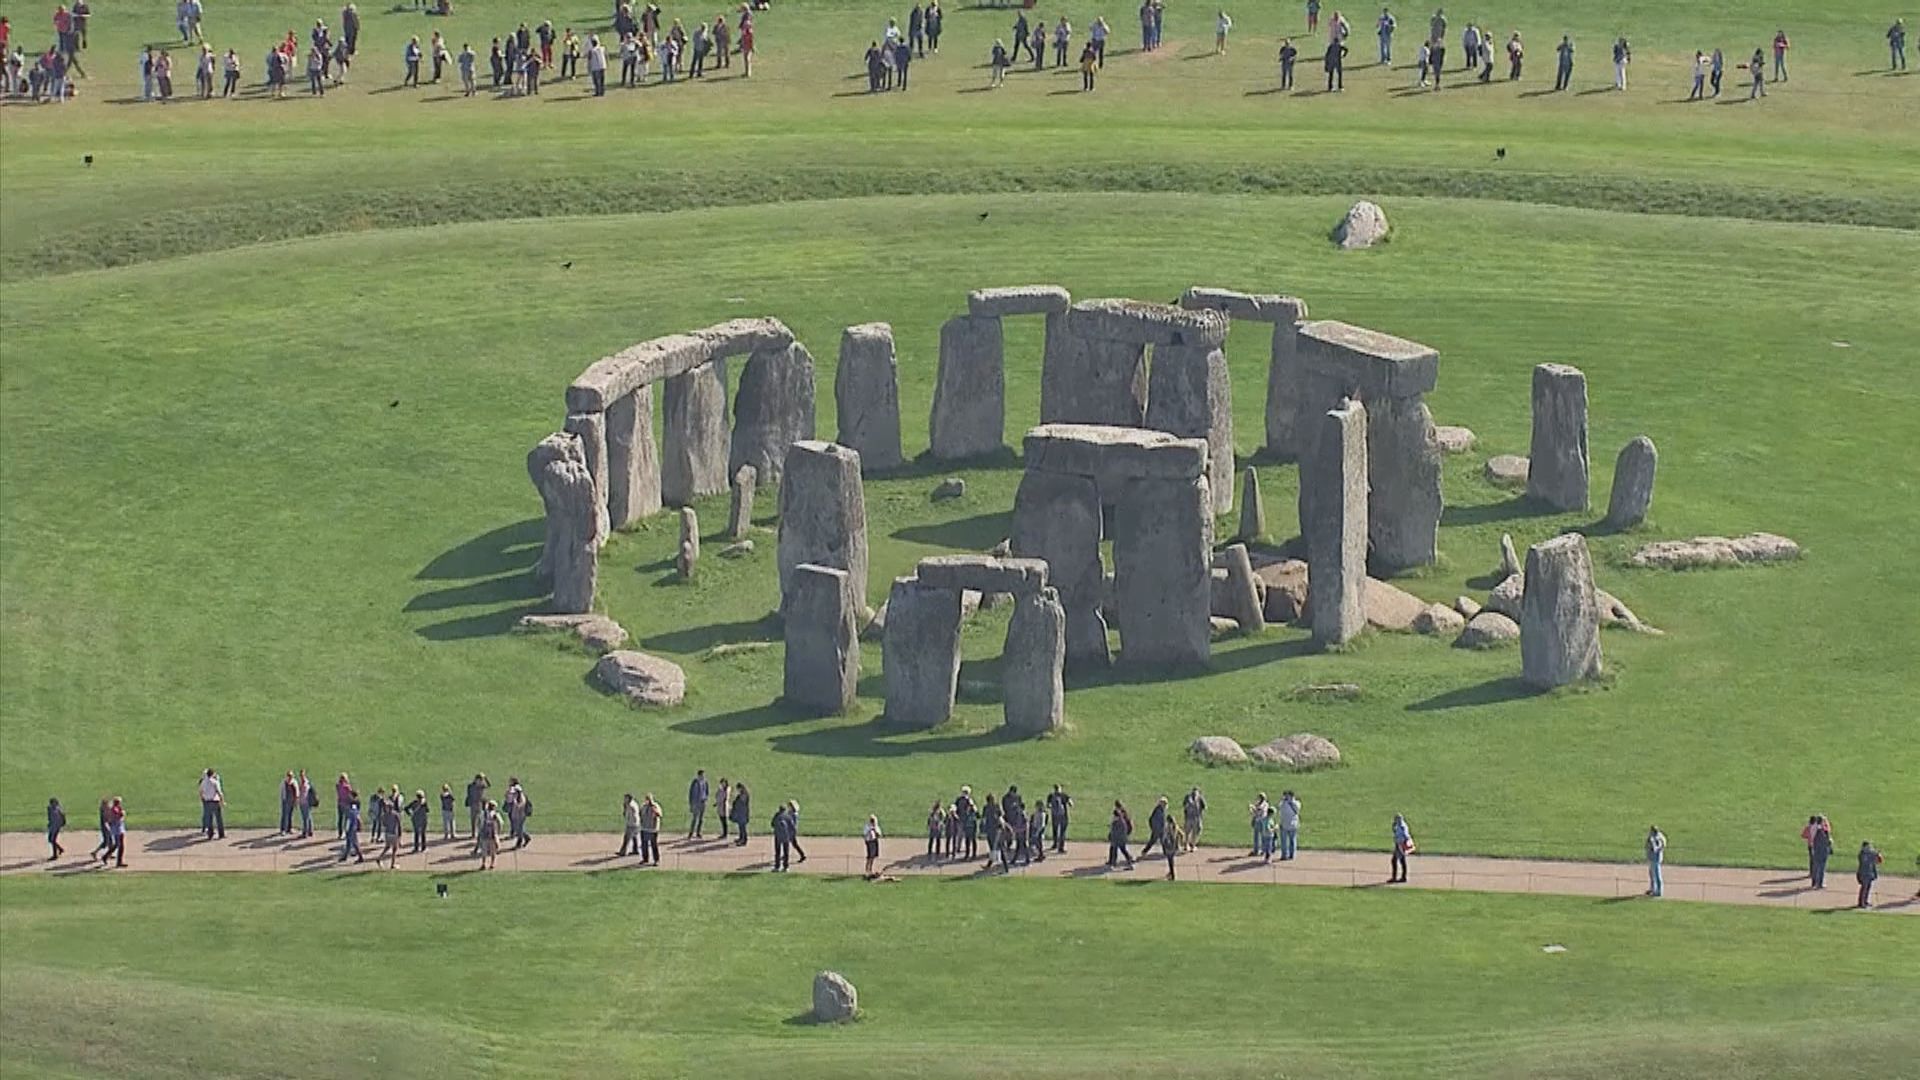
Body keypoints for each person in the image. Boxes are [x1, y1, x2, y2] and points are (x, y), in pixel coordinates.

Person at [1803, 815, 1833, 888]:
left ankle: (1814, 882)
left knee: (1815, 867)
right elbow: (1829, 839)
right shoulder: (1824, 831)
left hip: (1815, 849)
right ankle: (1820, 883)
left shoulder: (1813, 827)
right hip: (1822, 851)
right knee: (1821, 868)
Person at [1107, 801, 1135, 870]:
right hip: (1119, 839)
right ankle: (1128, 862)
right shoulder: (1119, 821)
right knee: (1120, 850)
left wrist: (1112, 837)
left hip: (1118, 839)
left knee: (1117, 850)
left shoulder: (1119, 822)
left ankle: (1113, 864)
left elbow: (1116, 832)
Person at [198, 768, 225, 840]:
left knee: (209, 819)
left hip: (207, 802)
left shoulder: (203, 782)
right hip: (215, 801)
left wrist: (202, 799)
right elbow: (219, 792)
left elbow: (200, 792)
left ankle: (210, 835)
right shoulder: (215, 782)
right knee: (219, 818)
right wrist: (222, 801)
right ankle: (221, 834)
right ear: (212, 774)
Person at [1855, 841, 1882, 908]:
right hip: (1863, 873)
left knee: (1868, 888)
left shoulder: (1870, 854)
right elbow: (1865, 861)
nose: (1869, 848)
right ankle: (1861, 903)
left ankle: (1866, 901)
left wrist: (1877, 855)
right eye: (1867, 847)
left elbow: (1878, 861)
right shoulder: (1862, 854)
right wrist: (1873, 855)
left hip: (1869, 873)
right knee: (1864, 888)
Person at [1276, 791, 1301, 860]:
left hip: (1292, 824)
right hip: (1285, 824)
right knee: (1285, 841)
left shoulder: (1296, 803)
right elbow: (1278, 807)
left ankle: (1290, 854)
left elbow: (1297, 808)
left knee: (1291, 840)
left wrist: (1288, 801)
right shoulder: (1283, 803)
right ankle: (1285, 855)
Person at [638, 793, 662, 865]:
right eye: (647, 799)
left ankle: (656, 860)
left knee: (654, 845)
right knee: (644, 845)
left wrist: (655, 811)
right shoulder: (643, 806)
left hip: (652, 829)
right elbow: (640, 814)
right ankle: (645, 859)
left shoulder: (655, 806)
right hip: (644, 828)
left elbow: (659, 815)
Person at [477, 799, 501, 869]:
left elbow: (479, 822)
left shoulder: (488, 814)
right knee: (488, 850)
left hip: (489, 834)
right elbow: (500, 823)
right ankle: (487, 863)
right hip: (489, 834)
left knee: (489, 850)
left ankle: (489, 863)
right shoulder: (487, 814)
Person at [465, 774, 488, 846]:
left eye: (480, 780)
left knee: (480, 821)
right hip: (473, 805)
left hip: (480, 804)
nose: (479, 781)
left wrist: (485, 778)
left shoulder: (481, 786)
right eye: (478, 780)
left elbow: (488, 785)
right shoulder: (471, 786)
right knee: (473, 819)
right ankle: (473, 833)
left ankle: (480, 834)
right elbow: (468, 794)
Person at [1390, 814, 1414, 883]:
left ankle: (1399, 877)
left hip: (1400, 845)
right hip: (1398, 844)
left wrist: (1404, 844)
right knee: (1398, 860)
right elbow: (1396, 833)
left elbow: (1405, 835)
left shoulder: (1402, 827)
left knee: (1397, 860)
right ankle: (1401, 877)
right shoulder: (1399, 826)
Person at [340, 795, 364, 864]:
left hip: (351, 827)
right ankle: (345, 856)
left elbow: (352, 818)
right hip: (351, 827)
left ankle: (361, 857)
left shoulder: (350, 810)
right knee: (349, 843)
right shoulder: (353, 809)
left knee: (354, 843)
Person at [770, 801, 793, 871]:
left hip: (778, 836)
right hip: (786, 836)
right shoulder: (788, 816)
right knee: (786, 852)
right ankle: (786, 867)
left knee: (777, 852)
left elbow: (772, 824)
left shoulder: (777, 816)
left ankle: (777, 866)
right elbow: (792, 826)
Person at [1182, 787, 1206, 851]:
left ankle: (1186, 845)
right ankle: (1192, 846)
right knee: (1195, 832)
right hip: (1196, 818)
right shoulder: (1199, 798)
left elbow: (1184, 806)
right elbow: (1204, 807)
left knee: (1187, 832)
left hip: (1188, 818)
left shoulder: (1187, 797)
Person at [1644, 825, 1666, 896]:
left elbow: (1655, 848)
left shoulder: (1654, 838)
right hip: (1653, 858)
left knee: (1656, 875)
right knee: (1652, 874)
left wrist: (1652, 846)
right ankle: (1653, 889)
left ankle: (1659, 891)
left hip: (1655, 859)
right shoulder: (1660, 836)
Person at [687, 770, 709, 837]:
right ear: (698, 775)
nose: (703, 777)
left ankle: (698, 832)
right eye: (702, 775)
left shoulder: (705, 782)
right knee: (694, 818)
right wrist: (691, 804)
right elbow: (691, 794)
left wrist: (706, 798)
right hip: (696, 803)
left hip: (703, 802)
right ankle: (691, 832)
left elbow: (707, 791)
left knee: (701, 819)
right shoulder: (695, 783)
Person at [298, 771, 316, 838]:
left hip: (305, 802)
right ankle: (310, 831)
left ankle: (305, 833)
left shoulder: (305, 784)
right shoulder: (305, 783)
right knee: (308, 817)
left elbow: (303, 793)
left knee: (305, 818)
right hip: (304, 802)